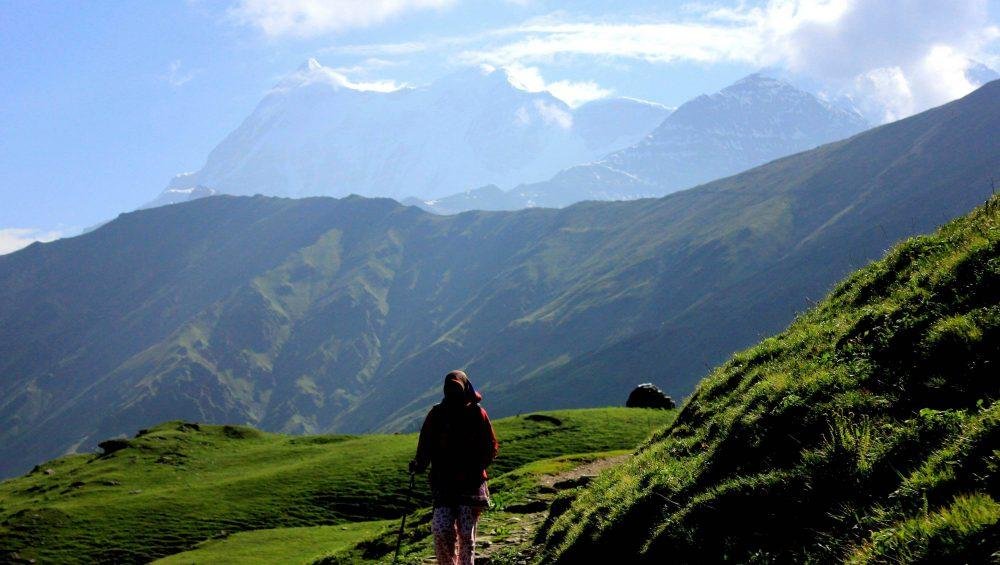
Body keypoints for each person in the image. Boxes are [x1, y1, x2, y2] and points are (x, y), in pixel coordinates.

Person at [409, 370, 499, 565]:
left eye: (456, 389)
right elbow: (425, 445)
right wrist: (419, 464)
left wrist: (476, 467)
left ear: (465, 389)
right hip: (444, 484)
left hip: (471, 484)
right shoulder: (437, 414)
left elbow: (490, 446)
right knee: (441, 529)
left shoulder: (477, 414)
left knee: (467, 535)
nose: (452, 394)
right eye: (450, 390)